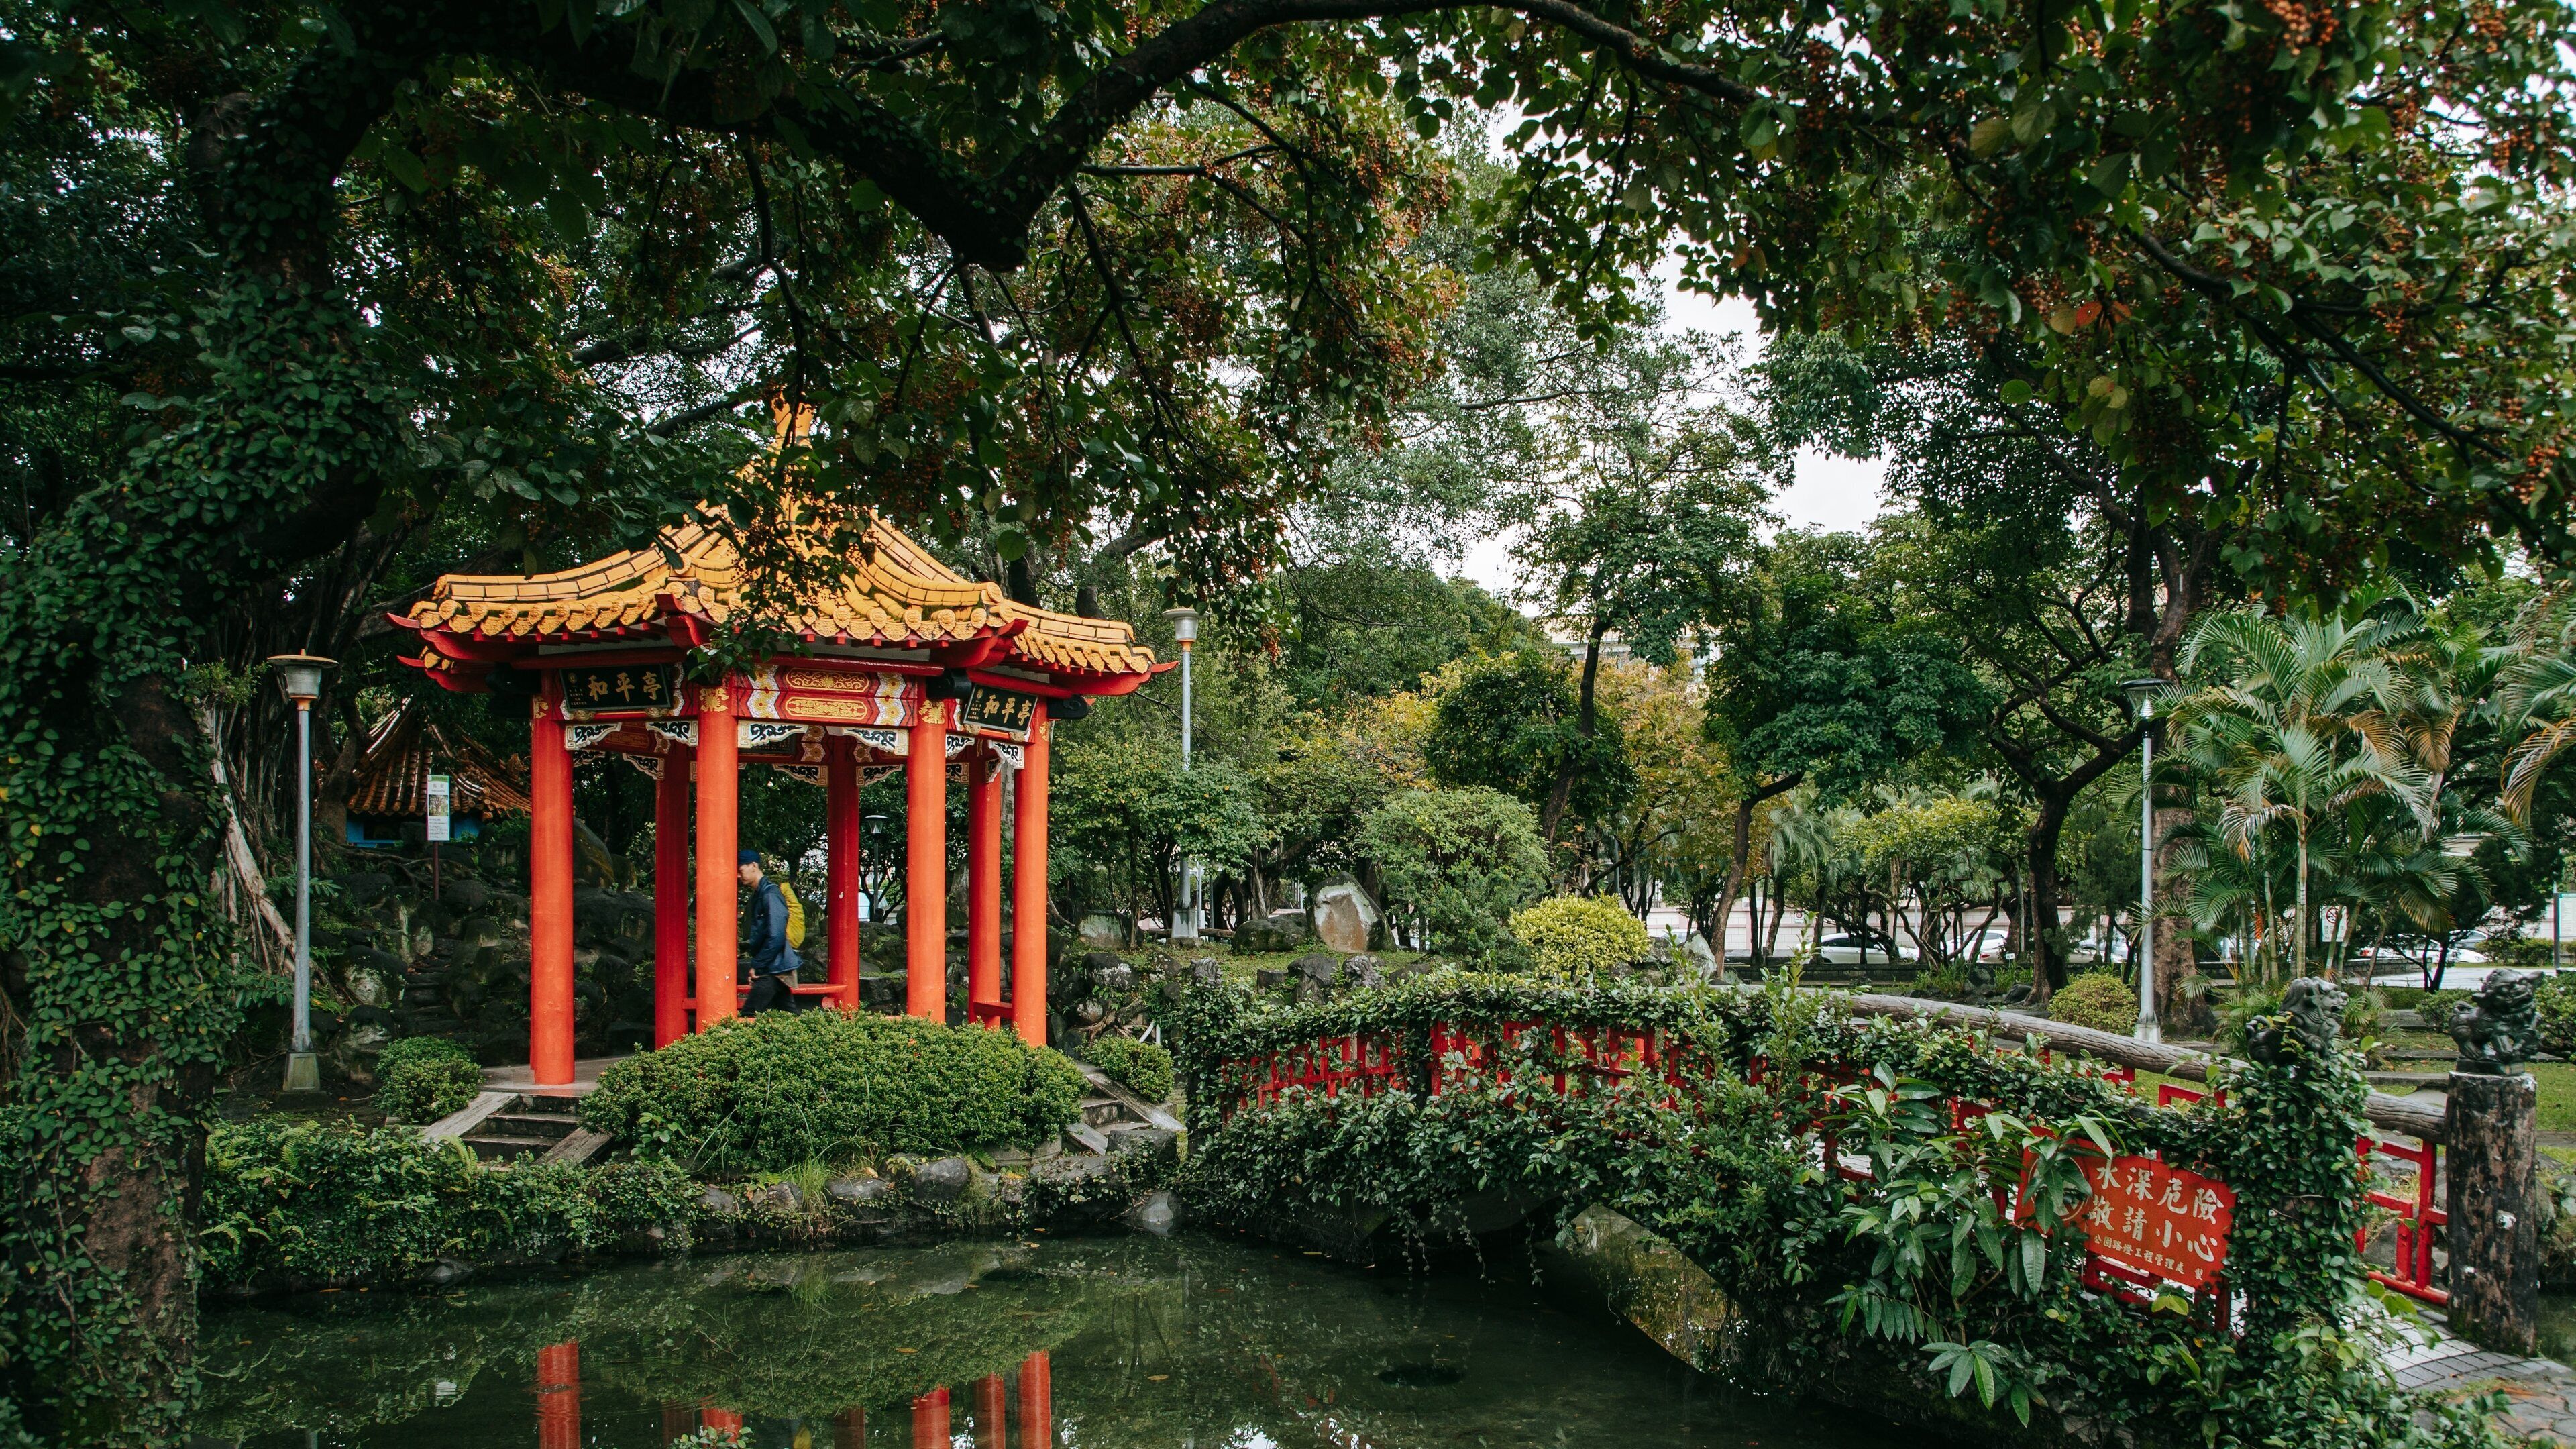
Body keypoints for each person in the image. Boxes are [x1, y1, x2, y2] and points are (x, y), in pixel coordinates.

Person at [737, 849, 805, 1014]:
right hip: (775, 967)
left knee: (748, 1015)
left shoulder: (770, 895)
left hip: (772, 968)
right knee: (789, 1014)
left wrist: (757, 965)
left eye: (740, 870)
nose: (738, 876)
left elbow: (776, 935)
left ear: (754, 866)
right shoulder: (760, 895)